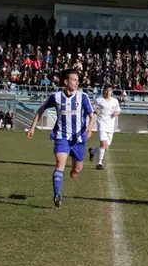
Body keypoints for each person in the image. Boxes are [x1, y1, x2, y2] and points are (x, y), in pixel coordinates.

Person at [27, 69, 96, 208]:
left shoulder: (82, 97)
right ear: (66, 81)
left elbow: (92, 115)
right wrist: (32, 127)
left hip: (78, 139)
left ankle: (74, 169)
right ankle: (57, 194)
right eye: (74, 80)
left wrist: (89, 127)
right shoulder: (56, 97)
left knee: (77, 169)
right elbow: (41, 109)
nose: (77, 82)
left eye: (77, 80)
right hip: (61, 136)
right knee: (59, 164)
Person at [88, 83, 121, 170]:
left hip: (110, 125)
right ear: (104, 91)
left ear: (111, 91)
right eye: (106, 90)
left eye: (109, 90)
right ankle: (99, 163)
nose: (108, 92)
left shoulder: (115, 101)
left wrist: (116, 113)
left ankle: (92, 151)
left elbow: (119, 111)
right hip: (101, 123)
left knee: (106, 147)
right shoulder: (99, 100)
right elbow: (93, 109)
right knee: (102, 144)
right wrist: (96, 110)